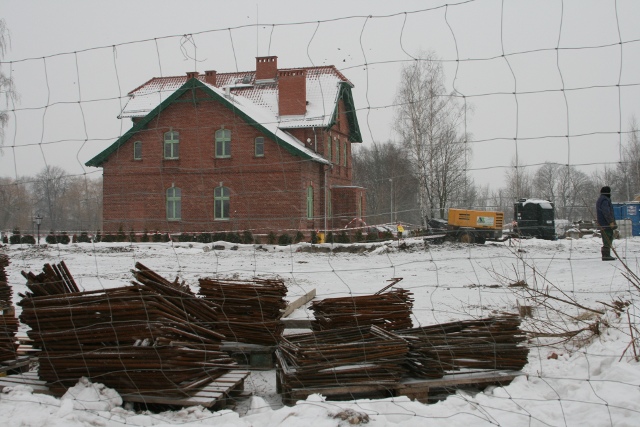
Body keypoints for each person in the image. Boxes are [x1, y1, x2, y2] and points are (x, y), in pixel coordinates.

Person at [596, 186, 617, 261]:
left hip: (602, 223)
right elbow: (606, 212)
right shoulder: (605, 200)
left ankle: (606, 254)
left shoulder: (600, 199)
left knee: (606, 238)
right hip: (606, 224)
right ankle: (606, 255)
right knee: (608, 238)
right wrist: (611, 221)